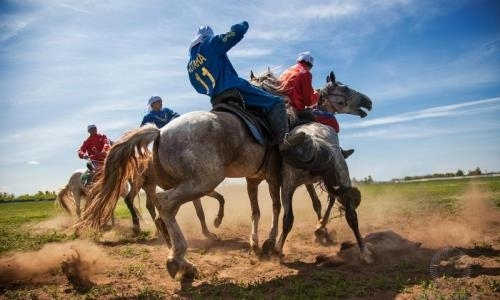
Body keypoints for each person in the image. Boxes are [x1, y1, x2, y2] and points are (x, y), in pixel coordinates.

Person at [187, 21, 304, 152]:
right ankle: (284, 140)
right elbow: (235, 33)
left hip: (215, 99)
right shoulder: (209, 44)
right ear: (207, 36)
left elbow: (197, 87)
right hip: (235, 89)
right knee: (276, 102)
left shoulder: (190, 64)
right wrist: (243, 25)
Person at [279, 51, 354, 158]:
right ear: (310, 65)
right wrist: (318, 94)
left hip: (281, 107)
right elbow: (308, 101)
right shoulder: (305, 73)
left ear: (299, 61)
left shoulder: (287, 71)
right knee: (331, 120)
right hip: (295, 109)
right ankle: (338, 152)